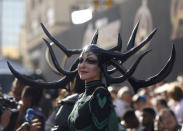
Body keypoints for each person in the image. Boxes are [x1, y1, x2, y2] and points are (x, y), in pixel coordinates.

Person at [7, 22, 176, 131]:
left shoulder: (100, 94)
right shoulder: (83, 96)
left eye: (90, 61)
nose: (82, 65)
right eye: (81, 60)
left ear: (100, 68)